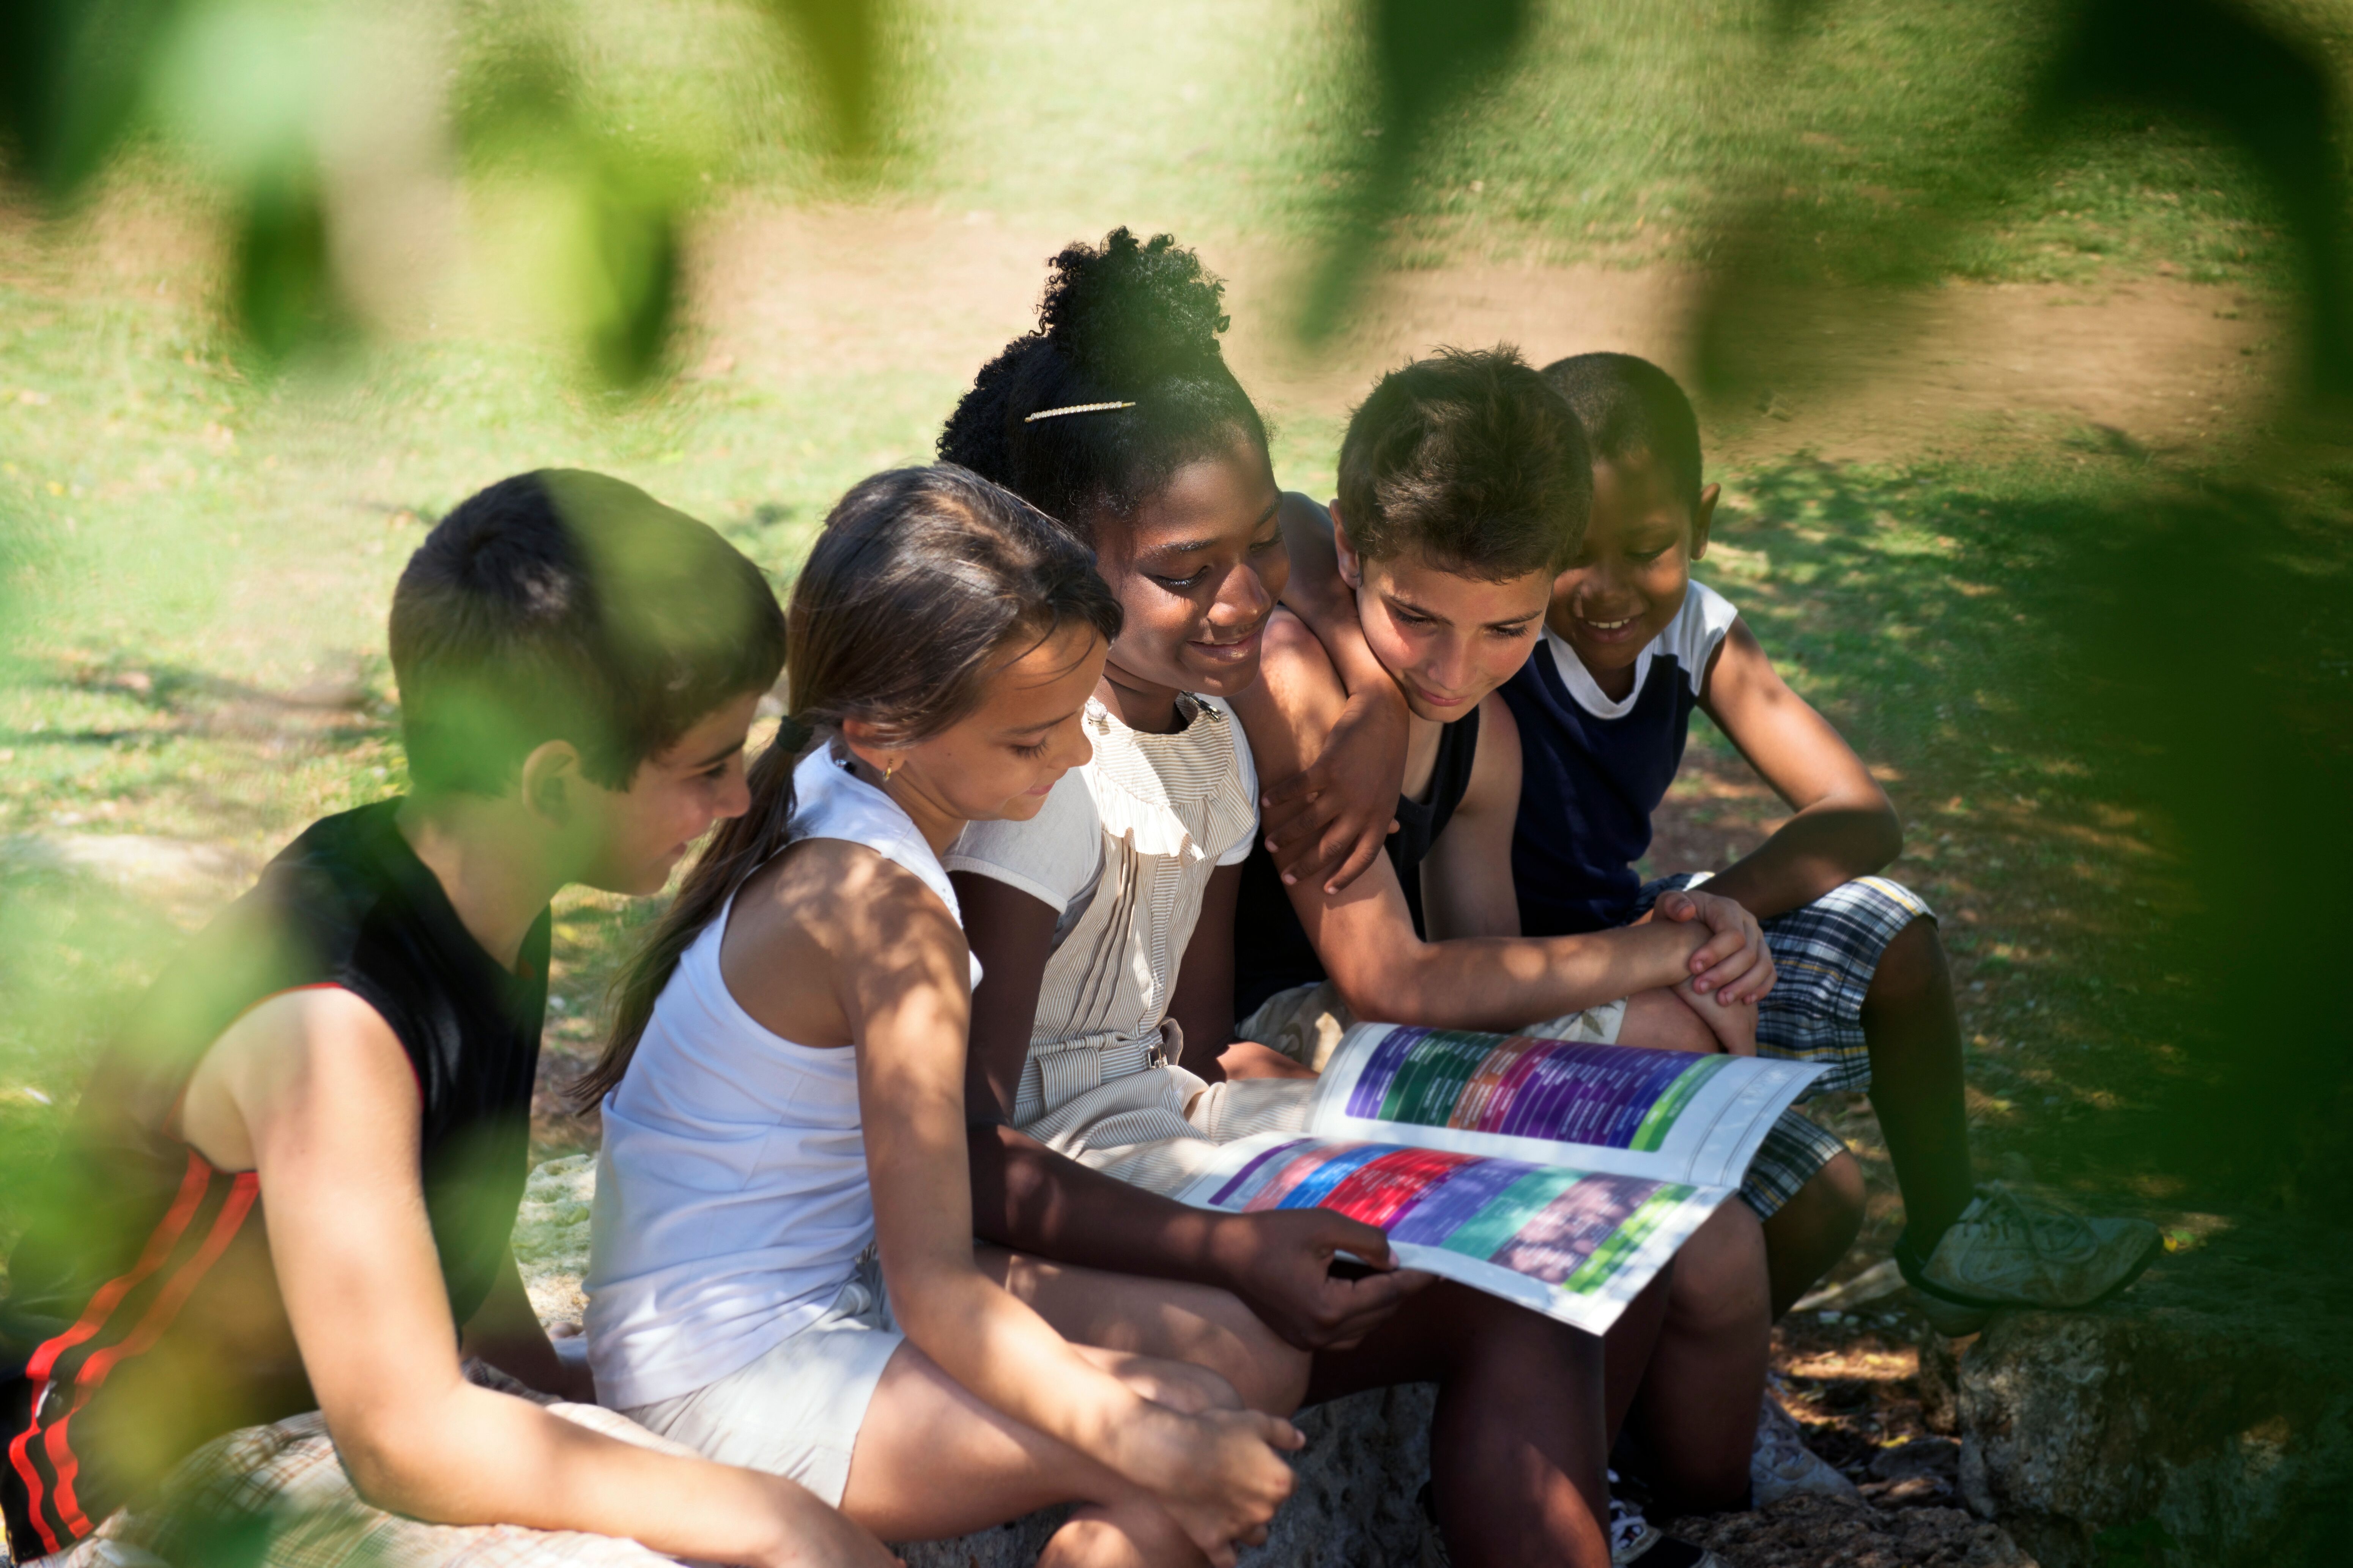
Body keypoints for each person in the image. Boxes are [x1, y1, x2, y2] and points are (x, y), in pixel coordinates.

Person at [938, 228, 1759, 1568]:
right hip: (1078, 1199)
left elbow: (1179, 1051)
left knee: (1553, 1267)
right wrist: (1230, 1242)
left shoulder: (1209, 739)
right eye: (1191, 572)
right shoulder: (1036, 779)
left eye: (1257, 554)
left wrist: (1262, 1090)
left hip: (1176, 1139)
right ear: (1063, 550)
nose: (1250, 603)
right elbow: (972, 1146)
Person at [1, 471, 896, 1568]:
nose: (736, 802)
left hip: (341, 1415)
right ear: (556, 781)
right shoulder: (331, 1021)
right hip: (150, 1482)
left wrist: (558, 1385)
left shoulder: (479, 892)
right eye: (706, 766)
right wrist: (767, 1516)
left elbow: (431, 1215)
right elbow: (405, 1439)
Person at [1282, 350, 2163, 1340]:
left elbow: (1860, 812)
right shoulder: (1484, 631)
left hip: (1627, 931)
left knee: (1895, 943)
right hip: (1521, 967)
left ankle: (1950, 1232)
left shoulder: (1670, 629)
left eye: (1650, 546)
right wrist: (1367, 688)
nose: (1606, 590)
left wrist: (1702, 917)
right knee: (1815, 1192)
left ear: (1699, 523)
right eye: (1578, 551)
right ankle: (1652, 1394)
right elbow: (1295, 520)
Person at [576, 465, 1307, 1568]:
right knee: (1183, 1427)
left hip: (744, 1313)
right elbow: (937, 1295)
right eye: (1033, 739)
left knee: (1204, 1396)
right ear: (888, 727)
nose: (1074, 759)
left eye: (1076, 717)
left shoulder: (827, 777)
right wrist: (1160, 1446)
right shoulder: (889, 923)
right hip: (731, 1374)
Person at [1231, 345, 1858, 1508]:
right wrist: (1657, 953)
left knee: (1709, 1238)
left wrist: (1701, 936)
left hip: (1388, 1043)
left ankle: (1662, 1504)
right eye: (1414, 617)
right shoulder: (1303, 682)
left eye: (1506, 628)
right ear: (1358, 563)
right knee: (1666, 1039)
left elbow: (1499, 969)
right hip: (1275, 1033)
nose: (1451, 665)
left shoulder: (1485, 736)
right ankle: (1577, 1494)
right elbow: (1388, 980)